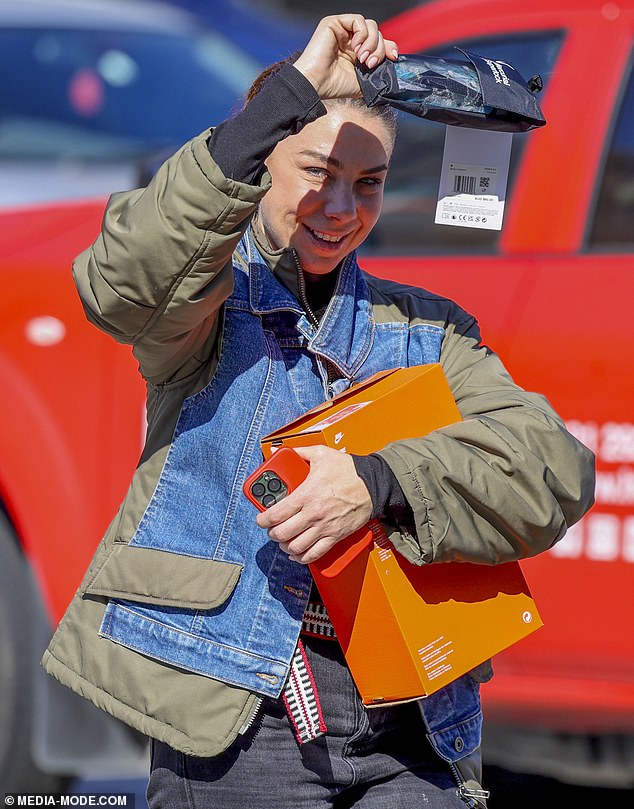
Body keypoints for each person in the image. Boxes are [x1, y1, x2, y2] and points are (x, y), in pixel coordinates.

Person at [42, 13, 595, 809]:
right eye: (316, 172)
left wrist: (381, 480)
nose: (341, 206)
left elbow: (552, 469)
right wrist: (286, 95)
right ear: (262, 164)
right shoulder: (203, 306)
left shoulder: (428, 329)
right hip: (237, 716)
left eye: (368, 182)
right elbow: (123, 277)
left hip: (414, 723)